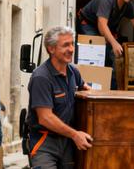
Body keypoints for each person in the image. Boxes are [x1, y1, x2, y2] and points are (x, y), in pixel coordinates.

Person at [25, 26, 93, 168]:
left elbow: (83, 88)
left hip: (67, 141)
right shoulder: (41, 77)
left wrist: (89, 91)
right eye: (65, 45)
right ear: (51, 49)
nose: (71, 49)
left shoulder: (73, 71)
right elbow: (45, 118)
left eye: (72, 44)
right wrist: (75, 135)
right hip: (45, 142)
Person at [76, 0, 134, 89]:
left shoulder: (128, 6)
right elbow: (101, 25)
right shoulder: (107, 0)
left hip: (106, 28)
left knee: (115, 56)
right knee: (95, 51)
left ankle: (110, 90)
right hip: (89, 24)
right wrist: (114, 43)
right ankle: (87, 87)